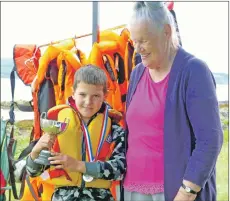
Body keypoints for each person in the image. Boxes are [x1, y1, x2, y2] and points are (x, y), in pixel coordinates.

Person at [123, 2, 223, 201]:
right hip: (134, 189)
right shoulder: (137, 73)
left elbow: (210, 140)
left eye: (144, 40)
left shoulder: (194, 71)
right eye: (135, 41)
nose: (137, 49)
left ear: (166, 32)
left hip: (175, 192)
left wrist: (187, 192)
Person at [26, 65, 126, 201]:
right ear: (73, 93)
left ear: (105, 96)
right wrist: (35, 152)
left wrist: (79, 165)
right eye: (82, 94)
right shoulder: (56, 126)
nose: (88, 102)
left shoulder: (115, 130)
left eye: (96, 96)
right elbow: (33, 172)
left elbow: (119, 170)